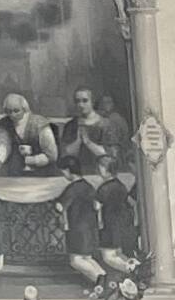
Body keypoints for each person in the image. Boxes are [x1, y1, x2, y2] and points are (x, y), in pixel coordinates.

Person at [59, 85, 142, 280]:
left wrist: (88, 143)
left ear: (91, 101)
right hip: (80, 177)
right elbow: (66, 154)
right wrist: (78, 142)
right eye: (77, 101)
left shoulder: (105, 124)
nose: (80, 105)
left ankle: (104, 266)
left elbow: (111, 157)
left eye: (84, 100)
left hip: (101, 177)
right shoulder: (72, 126)